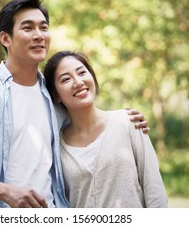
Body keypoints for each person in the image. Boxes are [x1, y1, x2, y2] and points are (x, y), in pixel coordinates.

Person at [0, 0, 149, 208]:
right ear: (5, 39)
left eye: (44, 27)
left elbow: (86, 121)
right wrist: (6, 193)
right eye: (28, 28)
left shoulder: (53, 95)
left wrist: (123, 119)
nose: (39, 35)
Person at [43, 50, 168, 208]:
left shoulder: (128, 122)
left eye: (82, 72)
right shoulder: (57, 149)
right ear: (56, 95)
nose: (78, 82)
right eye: (66, 79)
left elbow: (155, 191)